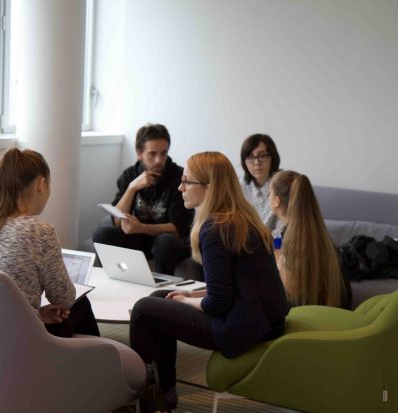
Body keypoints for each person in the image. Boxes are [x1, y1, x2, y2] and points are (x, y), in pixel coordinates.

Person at [130, 151, 289, 410]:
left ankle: (145, 393)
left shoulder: (215, 227)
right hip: (266, 319)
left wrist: (184, 300)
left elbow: (218, 304)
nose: (180, 187)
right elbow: (236, 284)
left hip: (243, 328)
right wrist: (193, 296)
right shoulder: (240, 217)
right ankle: (164, 390)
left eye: (187, 182)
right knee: (159, 300)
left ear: (209, 187)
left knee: (143, 309)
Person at [0, 148, 99, 338]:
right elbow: (63, 298)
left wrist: (37, 315)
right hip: (21, 341)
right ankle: (101, 362)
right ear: (42, 184)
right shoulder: (38, 231)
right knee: (80, 304)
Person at [92, 123, 194, 275]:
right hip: (139, 239)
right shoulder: (130, 175)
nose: (159, 160)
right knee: (102, 233)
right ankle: (115, 278)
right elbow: (117, 220)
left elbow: (178, 228)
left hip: (170, 241)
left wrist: (141, 227)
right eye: (152, 154)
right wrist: (132, 188)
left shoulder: (178, 177)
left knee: (164, 241)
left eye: (163, 153)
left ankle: (163, 292)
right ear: (139, 153)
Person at [269, 170, 351, 309]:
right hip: (336, 313)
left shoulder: (290, 243)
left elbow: (289, 299)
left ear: (276, 201)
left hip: (304, 321)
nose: (268, 197)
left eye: (269, 194)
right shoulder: (321, 235)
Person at [239, 133, 283, 233]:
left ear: (272, 157)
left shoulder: (284, 185)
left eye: (262, 155)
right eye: (250, 157)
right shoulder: (238, 187)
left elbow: (283, 229)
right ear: (244, 161)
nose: (256, 163)